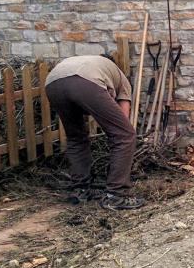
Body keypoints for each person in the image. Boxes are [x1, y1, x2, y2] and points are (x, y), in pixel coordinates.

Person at [44, 55, 143, 210]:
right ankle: (115, 195)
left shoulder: (94, 64)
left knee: (76, 137)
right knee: (125, 135)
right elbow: (122, 125)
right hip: (84, 82)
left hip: (53, 82)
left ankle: (80, 190)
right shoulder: (122, 79)